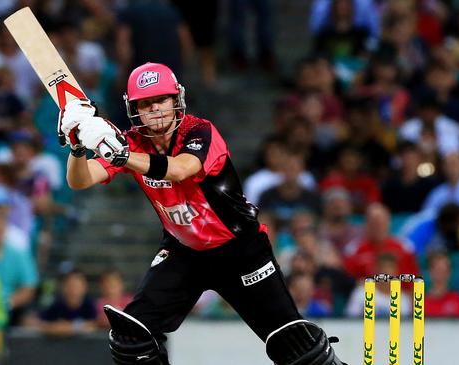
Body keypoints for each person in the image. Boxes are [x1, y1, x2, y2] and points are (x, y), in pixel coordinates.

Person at [58, 62, 346, 365]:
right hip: (184, 253)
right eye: (146, 103)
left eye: (162, 100)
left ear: (176, 100)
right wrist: (77, 148)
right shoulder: (131, 142)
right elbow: (80, 180)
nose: (155, 109)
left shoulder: (200, 132)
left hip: (240, 251)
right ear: (135, 109)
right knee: (131, 340)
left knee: (298, 348)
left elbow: (182, 169)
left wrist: (123, 155)